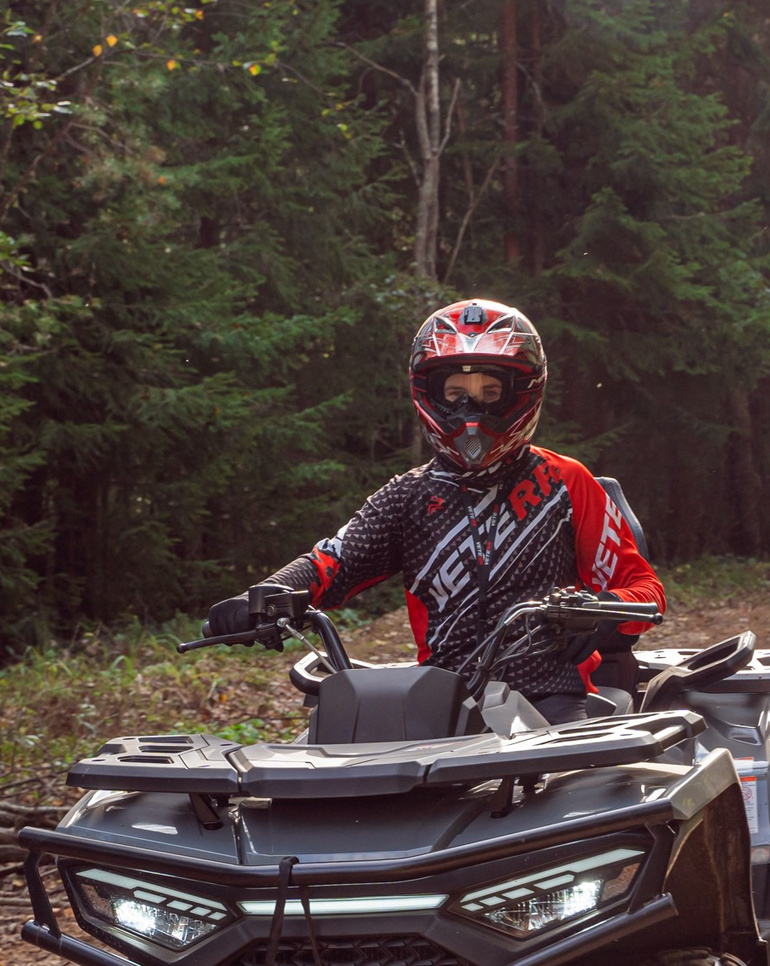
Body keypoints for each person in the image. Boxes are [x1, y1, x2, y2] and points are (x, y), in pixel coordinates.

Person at [203, 299, 663, 722]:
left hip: (551, 698)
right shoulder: (408, 496)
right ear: (429, 394)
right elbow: (331, 562)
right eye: (455, 391)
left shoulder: (566, 482)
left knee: (582, 795)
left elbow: (645, 591)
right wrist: (264, 597)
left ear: (523, 392)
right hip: (441, 705)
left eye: (489, 392)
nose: (469, 408)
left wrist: (600, 610)